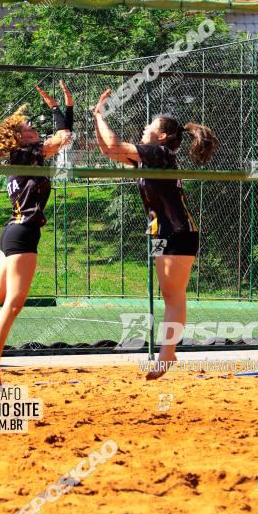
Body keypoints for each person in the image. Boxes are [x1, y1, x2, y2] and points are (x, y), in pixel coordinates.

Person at [93, 90, 219, 379]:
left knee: (174, 295)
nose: (145, 128)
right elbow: (109, 150)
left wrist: (100, 116)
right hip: (159, 232)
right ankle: (168, 352)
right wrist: (96, 118)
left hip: (178, 231)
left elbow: (113, 142)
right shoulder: (147, 158)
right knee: (168, 293)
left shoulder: (160, 154)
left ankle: (167, 354)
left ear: (162, 137)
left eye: (150, 125)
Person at [0, 82, 74, 385]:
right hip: (22, 233)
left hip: (13, 231)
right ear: (19, 137)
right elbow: (64, 138)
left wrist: (63, 108)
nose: (33, 127)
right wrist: (60, 109)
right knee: (15, 301)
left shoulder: (24, 156)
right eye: (27, 127)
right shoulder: (25, 152)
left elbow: (61, 139)